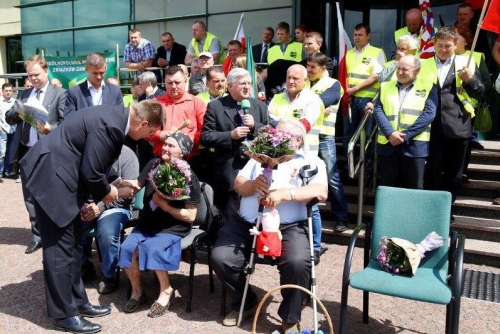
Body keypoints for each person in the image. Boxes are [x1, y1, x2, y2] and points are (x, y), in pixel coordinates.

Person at [18, 99, 164, 333]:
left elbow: (92, 160)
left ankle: (78, 302)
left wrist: (113, 181)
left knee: (74, 246)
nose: (150, 136)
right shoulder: (113, 126)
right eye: (152, 131)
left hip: (63, 178)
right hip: (51, 180)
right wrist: (109, 192)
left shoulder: (115, 118)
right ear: (143, 123)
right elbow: (92, 172)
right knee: (60, 250)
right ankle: (65, 313)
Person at [211, 118, 327, 332]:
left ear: (298, 140)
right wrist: (253, 185)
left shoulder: (311, 161)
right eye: (275, 135)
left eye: (281, 136)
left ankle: (290, 318)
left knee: (298, 262)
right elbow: (238, 184)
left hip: (289, 226)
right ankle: (246, 301)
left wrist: (286, 194)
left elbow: (320, 190)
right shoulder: (260, 157)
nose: (275, 139)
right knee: (220, 257)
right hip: (247, 222)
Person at [118, 133, 200, 318]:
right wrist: (116, 186)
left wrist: (165, 206)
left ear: (182, 152)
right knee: (127, 248)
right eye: (165, 144)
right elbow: (136, 186)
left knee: (151, 247)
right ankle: (138, 292)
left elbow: (191, 216)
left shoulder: (188, 176)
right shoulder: (153, 165)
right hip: (148, 223)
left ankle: (166, 290)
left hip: (173, 227)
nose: (165, 148)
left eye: (171, 145)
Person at [420, 26, 484, 222]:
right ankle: (434, 210)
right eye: (439, 46)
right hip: (431, 127)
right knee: (434, 170)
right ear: (434, 45)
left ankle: (448, 208)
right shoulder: (423, 64)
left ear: (456, 44)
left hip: (459, 124)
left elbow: (480, 91)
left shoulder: (467, 62)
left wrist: (470, 80)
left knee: (455, 174)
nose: (443, 50)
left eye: (448, 46)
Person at [5, 55, 66, 255]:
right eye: (30, 76)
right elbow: (9, 117)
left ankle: (53, 233)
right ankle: (37, 235)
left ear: (46, 71)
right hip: (26, 152)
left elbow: (67, 124)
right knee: (29, 196)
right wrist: (19, 112)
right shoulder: (24, 94)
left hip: (48, 152)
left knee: (50, 194)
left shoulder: (60, 94)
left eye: (37, 74)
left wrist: (51, 128)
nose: (33, 79)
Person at [201, 68, 269, 213]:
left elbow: (270, 135)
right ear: (230, 86)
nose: (247, 87)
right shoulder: (216, 106)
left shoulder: (261, 106)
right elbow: (206, 137)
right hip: (228, 169)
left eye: (249, 83)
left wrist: (254, 126)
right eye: (242, 83)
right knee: (227, 214)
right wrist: (230, 135)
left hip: (255, 168)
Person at [80, 145, 139, 294]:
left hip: (116, 206)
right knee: (67, 224)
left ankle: (108, 275)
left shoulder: (127, 155)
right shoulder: (87, 152)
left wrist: (99, 206)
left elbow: (128, 194)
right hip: (87, 204)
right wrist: (84, 207)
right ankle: (83, 265)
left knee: (107, 232)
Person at [373, 55, 437, 189]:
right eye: (398, 69)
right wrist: (390, 133)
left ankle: (412, 211)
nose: (400, 72)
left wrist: (406, 135)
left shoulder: (428, 86)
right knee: (387, 188)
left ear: (417, 71)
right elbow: (378, 110)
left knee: (414, 188)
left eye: (405, 69)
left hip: (414, 146)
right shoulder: (385, 86)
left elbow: (429, 113)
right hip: (388, 145)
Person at [305, 52, 350, 241]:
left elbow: (319, 103)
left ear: (323, 68)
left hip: (323, 136)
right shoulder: (306, 82)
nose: (308, 70)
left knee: (331, 177)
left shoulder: (333, 84)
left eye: (312, 67)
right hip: (306, 136)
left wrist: (307, 103)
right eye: (307, 66)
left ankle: (341, 217)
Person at [343, 23, 386, 155]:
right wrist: (348, 93)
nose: (357, 37)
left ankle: (366, 168)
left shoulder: (377, 52)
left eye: (360, 35)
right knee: (348, 133)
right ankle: (348, 166)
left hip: (367, 98)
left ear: (368, 36)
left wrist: (355, 89)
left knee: (367, 135)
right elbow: (345, 75)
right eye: (355, 35)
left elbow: (376, 76)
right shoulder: (348, 53)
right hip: (350, 98)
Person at [153, 66, 206, 165]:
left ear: (185, 82)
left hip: (189, 158)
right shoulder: (156, 103)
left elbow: (203, 129)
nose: (173, 86)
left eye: (177, 83)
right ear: (164, 83)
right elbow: (146, 129)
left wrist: (188, 140)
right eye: (169, 83)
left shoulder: (197, 103)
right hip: (162, 157)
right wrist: (160, 135)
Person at [268, 64, 323, 155]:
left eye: (295, 78)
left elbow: (305, 125)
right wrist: (291, 124)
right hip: (278, 152)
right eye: (288, 77)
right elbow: (269, 120)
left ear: (305, 80)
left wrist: (280, 124)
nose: (290, 81)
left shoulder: (312, 99)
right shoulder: (277, 98)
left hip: (304, 153)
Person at [64, 52, 123, 117]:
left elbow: (120, 118)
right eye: (95, 73)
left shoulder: (115, 91)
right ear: (86, 69)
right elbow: (68, 121)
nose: (99, 77)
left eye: (101, 73)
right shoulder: (74, 93)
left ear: (106, 68)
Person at [0, 83, 16, 181]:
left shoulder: (15, 102)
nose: (8, 92)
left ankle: (7, 172)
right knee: (2, 152)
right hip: (3, 129)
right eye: (6, 91)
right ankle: (0, 173)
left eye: (10, 90)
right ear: (2, 91)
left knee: (10, 152)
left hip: (13, 129)